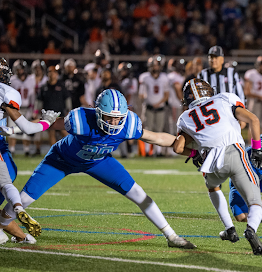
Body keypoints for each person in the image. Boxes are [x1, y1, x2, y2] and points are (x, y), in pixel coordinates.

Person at [0, 89, 196, 249]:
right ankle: (1, 224)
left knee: (138, 192)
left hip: (98, 161)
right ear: (98, 113)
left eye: (118, 118)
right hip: (61, 160)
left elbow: (156, 137)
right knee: (22, 199)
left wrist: (188, 147)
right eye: (109, 118)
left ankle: (171, 235)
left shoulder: (128, 125)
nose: (114, 123)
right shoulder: (81, 119)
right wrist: (17, 129)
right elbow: (49, 125)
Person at [173, 79, 262, 255]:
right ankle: (251, 229)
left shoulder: (185, 117)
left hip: (211, 161)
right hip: (234, 151)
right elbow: (253, 120)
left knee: (213, 187)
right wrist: (256, 150)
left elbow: (177, 147)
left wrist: (195, 154)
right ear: (209, 91)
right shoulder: (224, 99)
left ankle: (229, 228)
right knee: (255, 202)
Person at [0, 57, 61, 243]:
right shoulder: (7, 92)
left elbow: (8, 129)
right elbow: (26, 128)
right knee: (7, 180)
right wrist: (46, 122)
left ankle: (18, 232)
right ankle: (17, 213)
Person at [139, 55, 170, 157]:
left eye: (156, 65)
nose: (155, 68)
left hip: (160, 107)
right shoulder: (145, 77)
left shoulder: (164, 77)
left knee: (159, 129)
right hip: (148, 106)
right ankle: (148, 151)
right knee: (148, 129)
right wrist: (148, 101)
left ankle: (159, 151)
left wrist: (158, 103)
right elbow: (141, 94)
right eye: (153, 65)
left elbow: (166, 95)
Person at [35, 65, 71, 145]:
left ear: (57, 74)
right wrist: (36, 111)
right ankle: (55, 153)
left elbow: (67, 99)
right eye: (50, 72)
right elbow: (39, 100)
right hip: (48, 114)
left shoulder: (61, 86)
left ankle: (68, 151)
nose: (52, 74)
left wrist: (68, 110)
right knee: (51, 134)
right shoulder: (44, 87)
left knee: (64, 133)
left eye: (54, 72)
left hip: (60, 114)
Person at [8, 60, 36, 157]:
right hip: (15, 108)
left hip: (27, 108)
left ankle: (26, 150)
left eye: (21, 69)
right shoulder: (12, 79)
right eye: (18, 69)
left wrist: (33, 108)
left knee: (26, 129)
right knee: (12, 129)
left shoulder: (31, 79)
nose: (20, 71)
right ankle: (11, 150)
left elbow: (32, 96)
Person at [28, 60, 48, 156]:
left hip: (43, 106)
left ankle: (39, 148)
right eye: (36, 68)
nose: (38, 70)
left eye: (40, 68)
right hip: (31, 106)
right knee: (31, 127)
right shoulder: (30, 79)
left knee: (41, 128)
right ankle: (32, 149)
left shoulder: (46, 80)